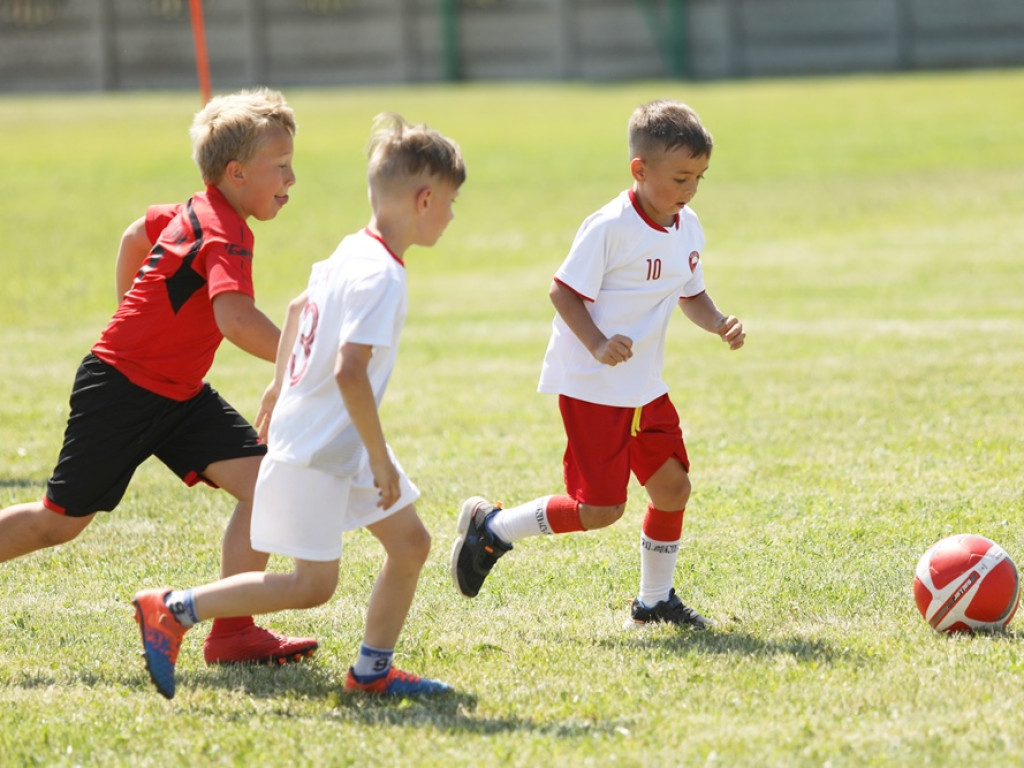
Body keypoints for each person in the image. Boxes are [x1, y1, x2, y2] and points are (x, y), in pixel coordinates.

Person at [132, 111, 466, 700]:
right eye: (451, 202)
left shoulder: (353, 249)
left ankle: (372, 672)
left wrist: (277, 384)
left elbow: (295, 309)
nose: (452, 215)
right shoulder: (382, 277)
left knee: (410, 543)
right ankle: (175, 608)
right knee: (312, 584)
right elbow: (349, 371)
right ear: (424, 199)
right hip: (321, 448)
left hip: (334, 440)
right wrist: (380, 457)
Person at [0, 88, 318, 665]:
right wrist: (303, 360)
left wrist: (133, 314)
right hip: (121, 391)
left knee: (269, 485)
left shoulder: (196, 210)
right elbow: (235, 317)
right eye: (281, 166)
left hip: (179, 396)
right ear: (236, 172)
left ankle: (232, 632)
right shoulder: (227, 231)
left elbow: (135, 234)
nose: (292, 178)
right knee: (58, 524)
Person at [450, 98, 745, 628]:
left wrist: (720, 321)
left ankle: (653, 603)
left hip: (644, 387)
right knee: (600, 510)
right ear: (640, 169)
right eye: (680, 178)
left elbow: (691, 294)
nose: (691, 190)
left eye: (699, 177)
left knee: (673, 486)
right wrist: (597, 342)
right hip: (594, 387)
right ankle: (494, 528)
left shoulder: (688, 225)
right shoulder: (609, 226)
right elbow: (562, 293)